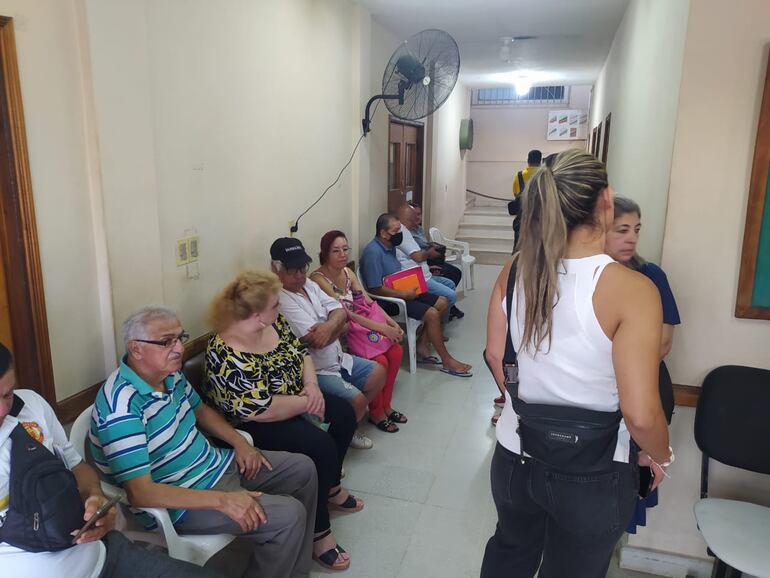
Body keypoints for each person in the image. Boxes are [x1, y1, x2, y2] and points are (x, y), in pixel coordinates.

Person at [481, 149, 672, 578]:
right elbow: (641, 414)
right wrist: (660, 455)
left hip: (515, 454)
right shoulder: (632, 289)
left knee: (509, 552)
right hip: (595, 471)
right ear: (606, 200)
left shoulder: (514, 270)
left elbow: (496, 355)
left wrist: (525, 403)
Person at [89, 308, 317, 578]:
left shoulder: (169, 375)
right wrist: (223, 501)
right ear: (136, 349)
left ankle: (295, 570)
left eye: (179, 338)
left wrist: (240, 443)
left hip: (213, 465)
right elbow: (141, 493)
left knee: (302, 468)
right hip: (180, 503)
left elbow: (201, 411)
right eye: (166, 341)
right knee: (288, 515)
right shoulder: (122, 407)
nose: (179, 348)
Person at [0, 342, 226, 578]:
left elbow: (76, 465)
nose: (3, 410)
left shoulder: (31, 404)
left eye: (7, 394)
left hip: (105, 555)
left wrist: (94, 496)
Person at [204, 271, 362, 572]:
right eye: (276, 305)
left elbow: (301, 354)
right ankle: (319, 532)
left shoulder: (273, 324)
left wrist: (313, 387)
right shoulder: (224, 352)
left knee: (342, 415)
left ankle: (328, 487)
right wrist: (307, 401)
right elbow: (260, 410)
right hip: (254, 425)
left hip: (297, 398)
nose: (281, 308)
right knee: (318, 445)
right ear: (257, 315)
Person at [604, 194, 681, 534]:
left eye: (636, 229)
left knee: (629, 484)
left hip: (641, 389)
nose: (631, 238)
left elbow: (663, 343)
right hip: (597, 399)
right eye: (621, 230)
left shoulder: (650, 276)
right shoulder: (588, 276)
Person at [270, 237, 386, 450]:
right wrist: (338, 325)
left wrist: (331, 324)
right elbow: (317, 340)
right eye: (292, 270)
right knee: (359, 401)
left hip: (338, 356)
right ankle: (336, 440)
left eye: (303, 268)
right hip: (316, 369)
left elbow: (340, 310)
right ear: (275, 268)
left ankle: (345, 428)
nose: (299, 275)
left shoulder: (310, 285)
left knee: (378, 373)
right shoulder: (280, 299)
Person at [311, 230, 407, 433]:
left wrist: (391, 324)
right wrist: (382, 328)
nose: (342, 254)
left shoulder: (348, 272)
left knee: (396, 351)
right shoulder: (318, 279)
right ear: (325, 253)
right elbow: (346, 314)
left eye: (345, 249)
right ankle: (376, 412)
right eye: (336, 251)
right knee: (380, 362)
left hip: (363, 330)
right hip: (344, 332)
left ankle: (387, 406)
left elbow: (368, 303)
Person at [359, 213, 473, 378]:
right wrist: (403, 293)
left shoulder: (390, 245)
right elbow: (375, 288)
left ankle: (421, 344)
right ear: (383, 233)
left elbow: (394, 274)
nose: (400, 234)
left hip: (403, 291)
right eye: (395, 231)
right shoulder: (373, 252)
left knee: (443, 302)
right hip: (391, 301)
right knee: (432, 314)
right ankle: (447, 360)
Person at [395, 204, 464, 321]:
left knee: (450, 283)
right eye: (413, 217)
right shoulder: (402, 232)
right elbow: (417, 256)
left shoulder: (411, 230)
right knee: (451, 296)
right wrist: (429, 254)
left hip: (425, 273)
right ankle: (434, 326)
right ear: (406, 218)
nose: (416, 219)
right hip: (416, 278)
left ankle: (440, 322)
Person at [408, 204, 463, 288]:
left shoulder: (419, 229)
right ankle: (442, 295)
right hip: (421, 262)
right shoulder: (407, 233)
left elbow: (425, 246)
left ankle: (445, 296)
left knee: (457, 272)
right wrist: (429, 266)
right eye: (414, 215)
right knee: (450, 274)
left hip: (429, 259)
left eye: (419, 214)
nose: (417, 217)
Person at [508, 149, 543, 251]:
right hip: (540, 220)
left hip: (522, 220)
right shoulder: (545, 176)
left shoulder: (519, 176)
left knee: (518, 249)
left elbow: (515, 193)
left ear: (528, 160)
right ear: (540, 161)